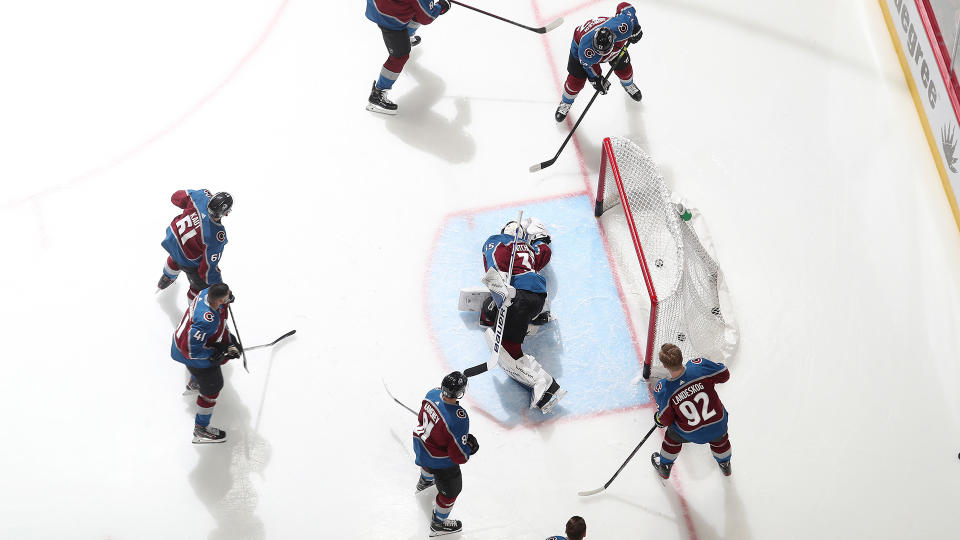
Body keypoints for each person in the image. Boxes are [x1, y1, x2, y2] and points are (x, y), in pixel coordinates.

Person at [479, 217, 566, 414]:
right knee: (511, 316)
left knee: (508, 348)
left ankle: (546, 386)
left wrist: (500, 288)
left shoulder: (498, 240)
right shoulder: (529, 247)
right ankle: (532, 320)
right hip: (537, 300)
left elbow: (493, 260)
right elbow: (545, 251)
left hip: (520, 299)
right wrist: (540, 237)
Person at [171, 282, 241, 443]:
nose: (229, 298)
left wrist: (227, 343)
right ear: (219, 300)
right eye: (226, 297)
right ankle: (201, 429)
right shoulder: (206, 321)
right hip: (187, 353)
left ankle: (195, 384)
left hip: (192, 346)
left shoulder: (206, 293)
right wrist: (218, 353)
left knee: (229, 347)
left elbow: (219, 316)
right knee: (214, 387)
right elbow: (189, 350)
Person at [650, 343, 732, 478]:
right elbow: (724, 375)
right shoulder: (699, 366)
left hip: (690, 433)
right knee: (720, 436)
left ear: (665, 366)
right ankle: (725, 464)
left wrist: (658, 418)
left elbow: (665, 420)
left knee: (672, 435)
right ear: (681, 357)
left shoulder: (663, 388)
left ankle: (664, 466)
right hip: (718, 424)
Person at [413, 371, 478, 537]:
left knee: (427, 463)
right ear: (460, 393)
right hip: (439, 460)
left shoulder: (432, 393)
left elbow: (421, 418)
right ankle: (439, 524)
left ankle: (425, 482)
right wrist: (469, 447)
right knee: (452, 490)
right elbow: (458, 456)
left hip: (422, 445)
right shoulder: (458, 418)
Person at [555, 2, 643, 122]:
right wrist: (596, 79)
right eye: (599, 52)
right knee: (575, 82)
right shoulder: (586, 51)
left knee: (625, 70)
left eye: (604, 52)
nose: (602, 55)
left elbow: (625, 6)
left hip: (615, 49)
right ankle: (566, 103)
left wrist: (636, 27)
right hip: (579, 45)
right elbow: (589, 67)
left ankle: (628, 85)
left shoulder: (623, 26)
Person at [365, 0, 452, 114]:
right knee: (400, 56)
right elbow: (427, 17)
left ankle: (406, 36)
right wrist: (442, 6)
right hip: (389, 18)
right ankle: (377, 95)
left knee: (416, 10)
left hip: (376, 5)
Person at [157, 189, 233, 302]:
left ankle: (167, 276)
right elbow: (208, 269)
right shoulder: (215, 237)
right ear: (226, 213)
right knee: (200, 286)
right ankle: (194, 308)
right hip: (187, 260)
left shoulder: (201, 196)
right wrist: (220, 288)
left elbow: (176, 197)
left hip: (172, 242)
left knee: (176, 256)